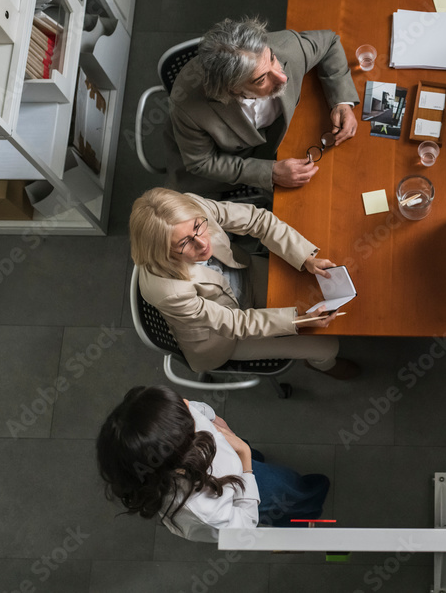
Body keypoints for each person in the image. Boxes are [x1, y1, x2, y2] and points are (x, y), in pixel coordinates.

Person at [129, 187, 358, 379]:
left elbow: (258, 220)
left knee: (315, 290)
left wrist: (306, 257)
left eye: (198, 227)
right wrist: (296, 320)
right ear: (163, 253)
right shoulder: (168, 291)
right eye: (185, 243)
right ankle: (323, 364)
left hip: (243, 275)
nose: (203, 244)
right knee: (327, 345)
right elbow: (233, 322)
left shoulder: (191, 207)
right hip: (223, 335)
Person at [97, 385, 329, 542]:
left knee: (268, 468)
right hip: (239, 491)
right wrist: (245, 457)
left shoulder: (162, 422)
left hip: (227, 456)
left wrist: (215, 422)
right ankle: (301, 522)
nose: (188, 406)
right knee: (289, 489)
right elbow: (244, 524)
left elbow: (196, 409)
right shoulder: (201, 506)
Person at [165, 17, 360, 194]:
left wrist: (341, 102)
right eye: (260, 79)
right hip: (230, 161)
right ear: (232, 90)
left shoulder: (288, 48)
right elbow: (201, 162)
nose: (282, 77)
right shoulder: (187, 108)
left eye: (272, 59)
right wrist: (270, 172)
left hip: (284, 139)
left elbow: (331, 42)